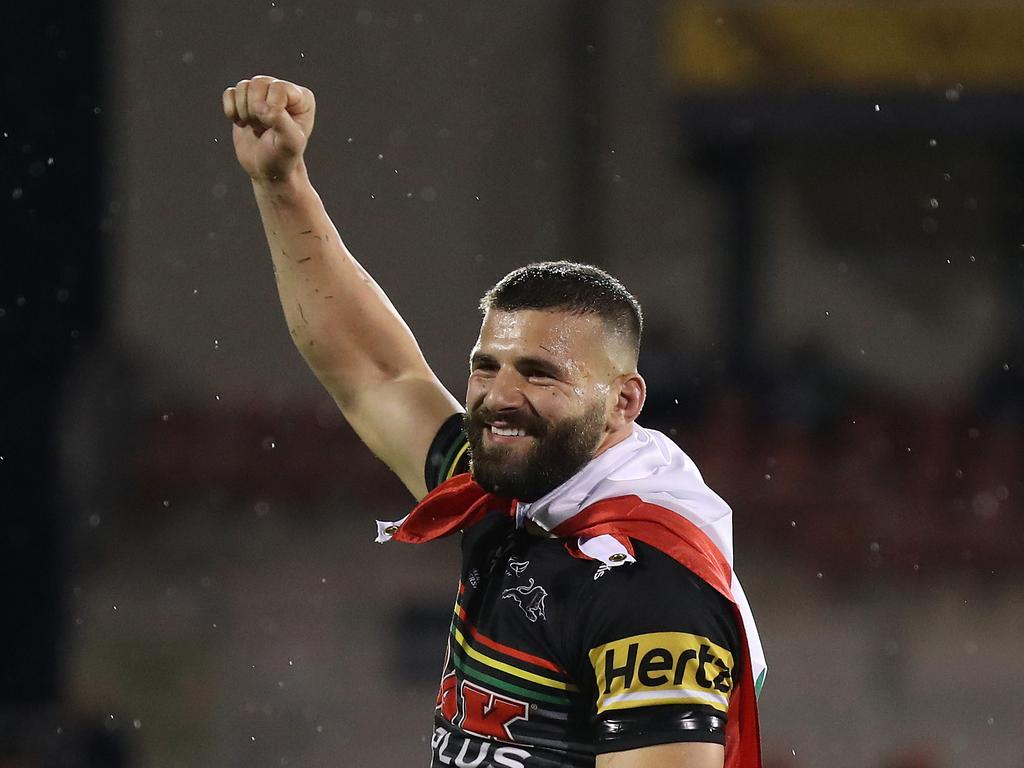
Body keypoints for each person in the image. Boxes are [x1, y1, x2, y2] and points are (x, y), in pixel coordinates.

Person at [221, 75, 766, 768]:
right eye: (487, 366)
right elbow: (373, 372)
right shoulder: (512, 487)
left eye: (539, 373)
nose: (499, 397)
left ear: (623, 403)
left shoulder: (651, 585)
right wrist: (281, 182)